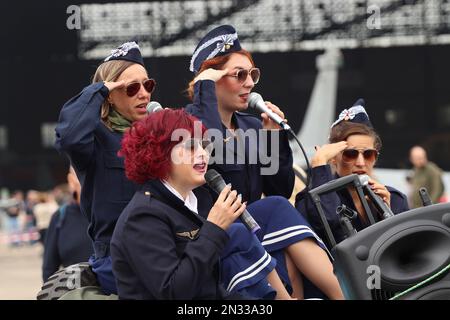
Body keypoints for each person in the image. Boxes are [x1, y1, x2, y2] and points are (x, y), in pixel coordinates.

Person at [185, 25, 343, 299]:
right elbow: (211, 147)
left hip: (258, 227)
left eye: (252, 74)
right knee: (276, 209)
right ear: (210, 80)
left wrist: (272, 137)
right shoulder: (185, 124)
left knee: (280, 221)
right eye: (239, 75)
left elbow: (279, 188)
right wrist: (204, 92)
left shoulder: (251, 124)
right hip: (212, 233)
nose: (249, 83)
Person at [111, 109, 294, 299]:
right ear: (161, 153)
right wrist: (214, 227)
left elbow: (211, 286)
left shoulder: (199, 199)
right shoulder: (143, 215)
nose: (203, 154)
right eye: (191, 146)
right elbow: (174, 292)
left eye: (204, 145)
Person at [55, 41, 155, 294]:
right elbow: (69, 137)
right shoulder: (97, 138)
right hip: (117, 258)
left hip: (161, 249)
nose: (144, 93)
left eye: (148, 84)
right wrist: (98, 90)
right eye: (132, 87)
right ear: (110, 94)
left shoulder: (157, 135)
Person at [295, 100, 410, 246]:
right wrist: (319, 166)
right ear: (333, 158)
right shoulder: (309, 200)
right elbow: (330, 226)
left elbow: (405, 251)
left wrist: (386, 214)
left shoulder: (395, 199)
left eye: (369, 154)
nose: (361, 163)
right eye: (350, 154)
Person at [42, 166, 93, 282]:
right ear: (71, 181)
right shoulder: (60, 217)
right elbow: (49, 269)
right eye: (82, 175)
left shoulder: (112, 213)